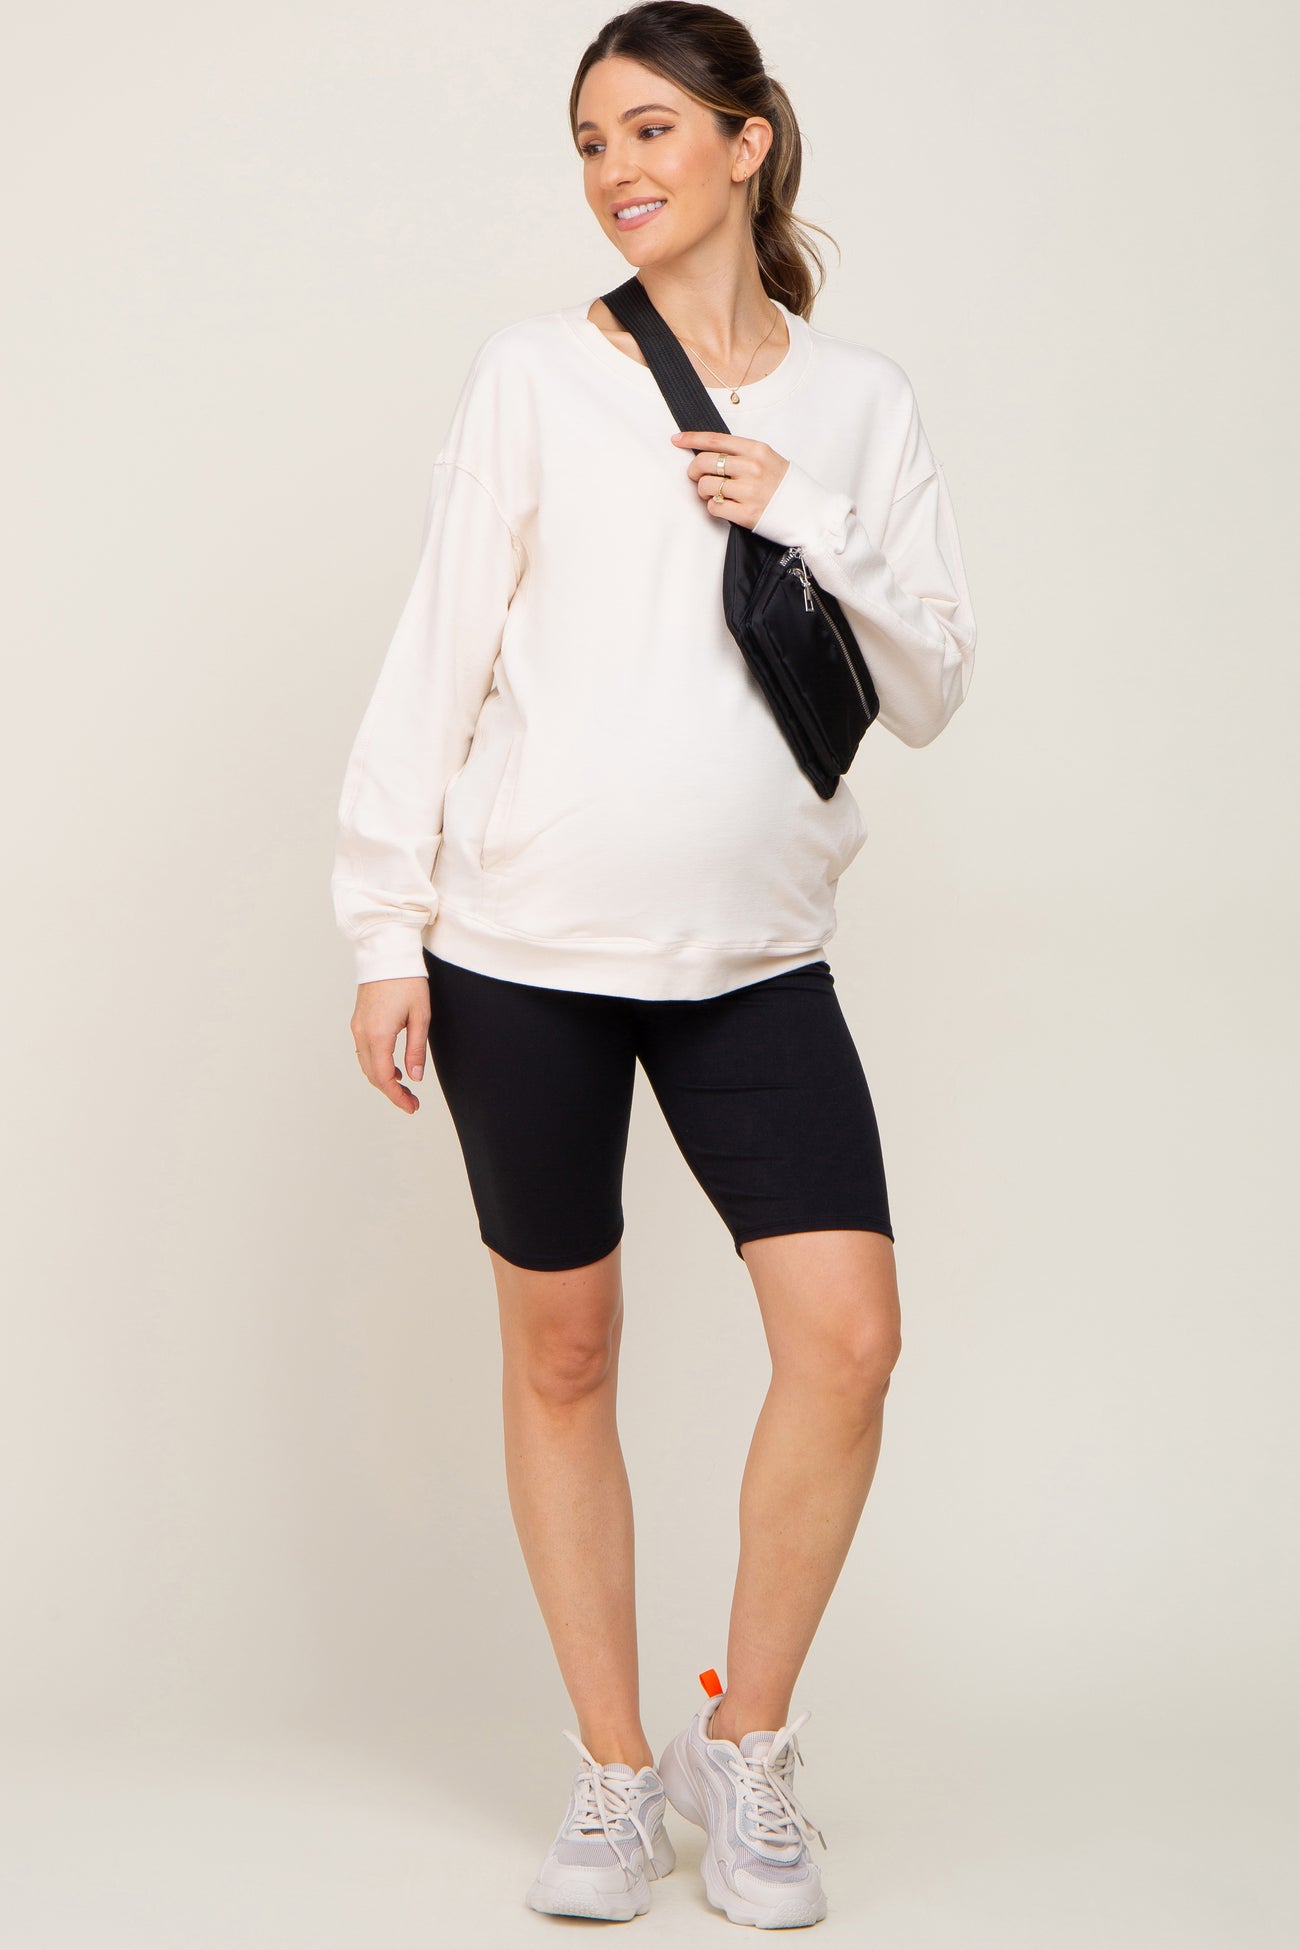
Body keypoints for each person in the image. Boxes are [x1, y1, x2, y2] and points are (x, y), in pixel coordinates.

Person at [330, 1, 976, 1929]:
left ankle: (740, 1744)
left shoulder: (859, 401)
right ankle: (616, 1771)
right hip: (521, 951)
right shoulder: (537, 374)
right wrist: (385, 925)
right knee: (565, 1347)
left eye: (652, 131)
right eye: (592, 142)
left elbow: (932, 684)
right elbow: (438, 646)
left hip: (757, 956)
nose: (617, 171)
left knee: (847, 1341)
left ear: (747, 140)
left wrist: (803, 506)